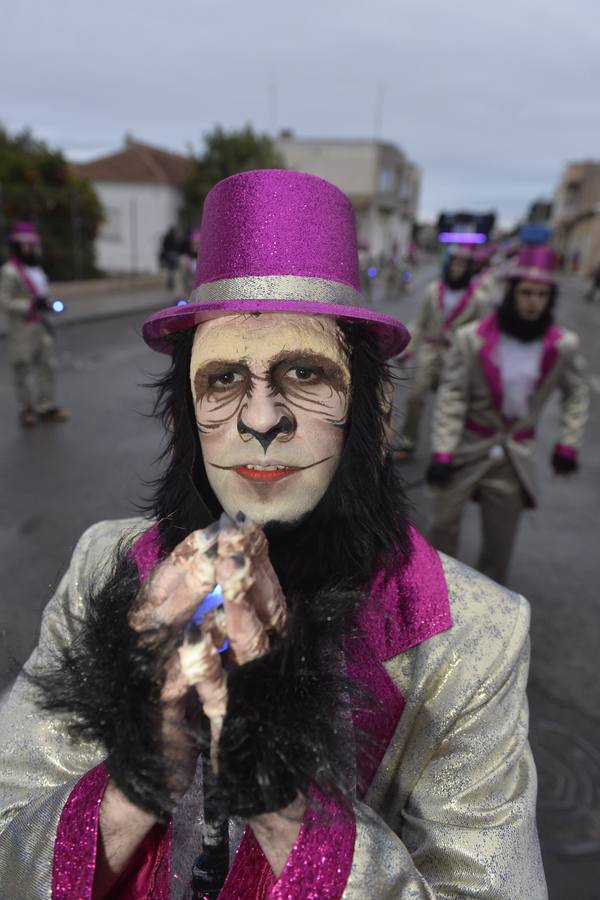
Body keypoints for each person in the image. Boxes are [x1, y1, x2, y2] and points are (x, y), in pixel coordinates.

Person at [0, 171, 546, 898]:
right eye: (222, 380)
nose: (262, 419)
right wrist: (142, 767)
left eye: (303, 371)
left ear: (376, 415)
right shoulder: (106, 564)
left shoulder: (473, 637)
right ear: (181, 422)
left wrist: (285, 796)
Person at [426, 245, 589, 585]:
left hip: (514, 459)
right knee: (441, 528)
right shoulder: (471, 339)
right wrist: (443, 450)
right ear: (511, 293)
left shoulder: (563, 345)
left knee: (499, 544)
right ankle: (436, 594)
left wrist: (568, 443)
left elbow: (577, 394)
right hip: (466, 449)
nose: (534, 301)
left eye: (542, 295)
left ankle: (489, 610)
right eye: (527, 292)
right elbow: (452, 396)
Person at [393, 247, 494, 461]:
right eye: (455, 263)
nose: (458, 268)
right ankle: (408, 442)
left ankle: (451, 449)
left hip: (457, 358)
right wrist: (407, 350)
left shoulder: (478, 298)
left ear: (469, 268)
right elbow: (420, 324)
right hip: (430, 352)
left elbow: (481, 334)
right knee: (415, 398)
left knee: (454, 405)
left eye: (463, 265)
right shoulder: (433, 290)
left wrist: (479, 362)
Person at [0, 221, 69, 427]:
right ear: (17, 246)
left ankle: (46, 405)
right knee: (23, 368)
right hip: (22, 327)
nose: (31, 249)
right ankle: (26, 409)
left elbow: (41, 294)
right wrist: (29, 304)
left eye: (33, 245)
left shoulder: (36, 269)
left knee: (47, 365)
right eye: (27, 245)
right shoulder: (10, 271)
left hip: (40, 325)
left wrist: (47, 304)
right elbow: (4, 300)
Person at [159, 225, 181, 291]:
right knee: (172, 271)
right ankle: (171, 283)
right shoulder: (173, 239)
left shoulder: (169, 238)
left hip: (169, 256)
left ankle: (170, 283)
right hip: (170, 256)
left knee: (170, 271)